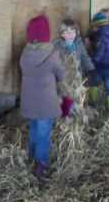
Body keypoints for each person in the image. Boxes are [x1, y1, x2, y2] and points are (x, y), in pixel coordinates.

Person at [20, 15, 65, 180]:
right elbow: (61, 75)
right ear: (47, 34)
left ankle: (31, 157)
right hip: (46, 103)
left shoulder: (24, 54)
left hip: (29, 102)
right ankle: (41, 164)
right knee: (43, 133)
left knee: (33, 129)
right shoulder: (52, 54)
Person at [53, 19, 95, 118]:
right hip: (64, 79)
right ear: (61, 34)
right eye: (67, 32)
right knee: (65, 97)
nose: (71, 34)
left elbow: (84, 56)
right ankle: (64, 116)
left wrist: (91, 68)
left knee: (76, 96)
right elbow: (53, 62)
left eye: (73, 31)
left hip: (77, 76)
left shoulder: (78, 44)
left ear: (76, 32)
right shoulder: (56, 46)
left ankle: (75, 114)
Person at [87, 12, 109, 111]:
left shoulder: (101, 37)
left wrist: (92, 61)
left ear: (98, 25)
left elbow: (100, 53)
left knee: (94, 83)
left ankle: (92, 103)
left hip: (101, 66)